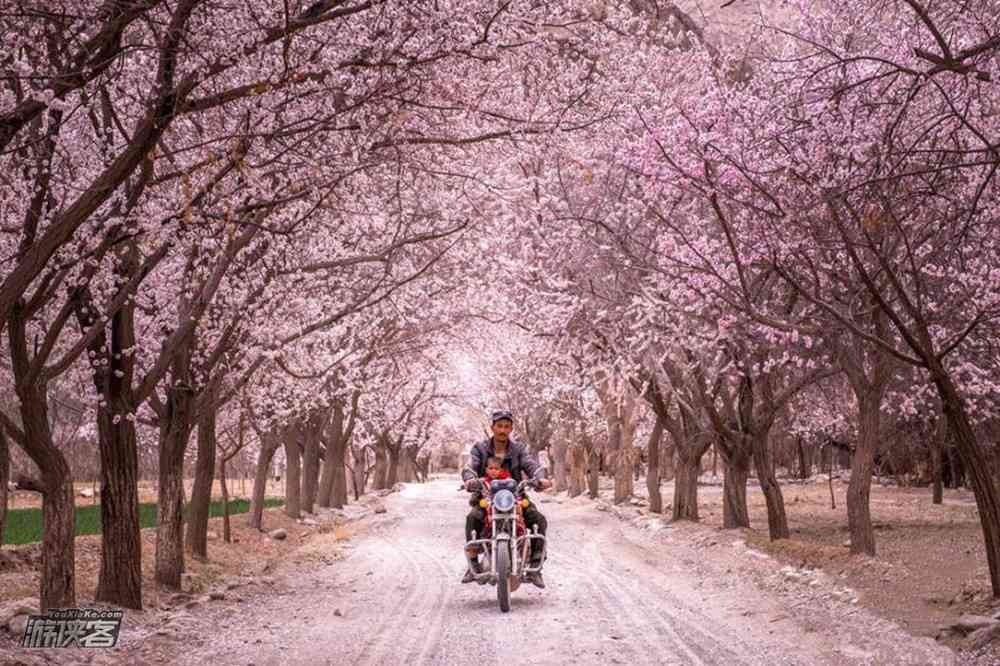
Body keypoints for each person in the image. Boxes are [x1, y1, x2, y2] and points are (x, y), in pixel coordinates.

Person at [461, 409, 552, 587]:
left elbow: (530, 464)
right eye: (499, 426)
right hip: (487, 497)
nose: (503, 430)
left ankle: (535, 567)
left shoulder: (519, 449)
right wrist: (470, 479)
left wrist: (540, 478)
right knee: (473, 518)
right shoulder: (480, 448)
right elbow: (470, 465)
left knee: (538, 519)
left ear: (511, 429)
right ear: (492, 427)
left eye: (507, 426)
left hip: (516, 497)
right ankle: (473, 565)